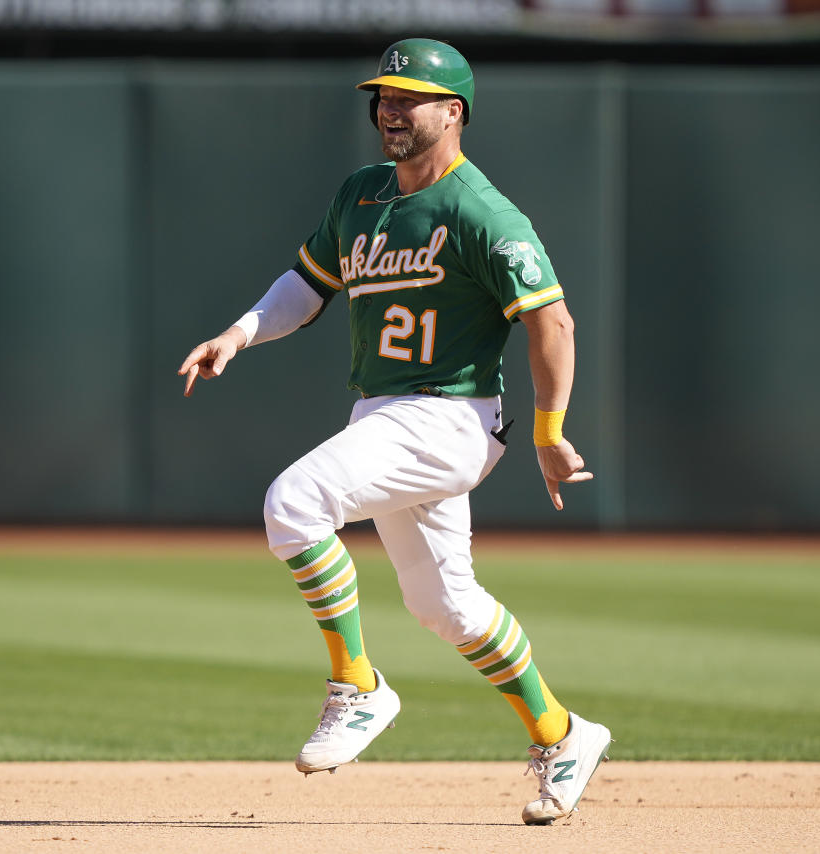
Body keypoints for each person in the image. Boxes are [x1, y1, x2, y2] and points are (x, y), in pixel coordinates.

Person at [178, 37, 612, 826]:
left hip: (450, 414)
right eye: (384, 94)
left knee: (294, 503)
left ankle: (359, 685)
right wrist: (241, 331)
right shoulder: (362, 194)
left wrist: (551, 430)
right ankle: (564, 732)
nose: (391, 107)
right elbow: (308, 284)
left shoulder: (479, 209)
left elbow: (553, 321)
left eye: (410, 96)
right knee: (446, 605)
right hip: (383, 414)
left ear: (455, 112)